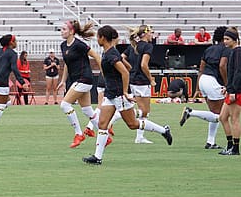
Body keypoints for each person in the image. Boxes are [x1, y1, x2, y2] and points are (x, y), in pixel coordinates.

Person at [82, 26, 173, 165]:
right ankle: (97, 157)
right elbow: (129, 68)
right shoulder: (110, 52)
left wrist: (124, 92)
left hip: (118, 94)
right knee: (102, 124)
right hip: (111, 93)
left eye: (98, 37)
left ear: (103, 38)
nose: (97, 39)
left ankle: (163, 130)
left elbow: (125, 72)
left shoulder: (111, 54)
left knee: (132, 124)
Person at [58, 20, 106, 148]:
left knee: (64, 104)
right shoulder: (63, 45)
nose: (61, 31)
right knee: (87, 110)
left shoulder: (79, 45)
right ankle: (105, 137)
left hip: (84, 78)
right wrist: (63, 81)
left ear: (72, 31)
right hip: (77, 80)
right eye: (61, 29)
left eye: (64, 29)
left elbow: (96, 56)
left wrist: (105, 73)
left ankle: (79, 134)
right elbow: (67, 64)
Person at [180, 26, 229, 149]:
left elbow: (201, 69)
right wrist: (227, 84)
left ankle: (210, 142)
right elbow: (222, 66)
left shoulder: (209, 49)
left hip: (204, 80)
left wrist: (197, 88)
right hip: (214, 81)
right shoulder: (225, 49)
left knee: (215, 113)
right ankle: (191, 112)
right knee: (220, 115)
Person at [126, 24, 156, 144]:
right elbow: (144, 65)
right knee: (144, 111)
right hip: (142, 81)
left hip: (133, 79)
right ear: (145, 34)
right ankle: (119, 115)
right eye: (151, 32)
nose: (152, 35)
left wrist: (129, 68)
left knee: (143, 111)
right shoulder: (148, 46)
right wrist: (151, 79)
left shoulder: (135, 45)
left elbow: (123, 57)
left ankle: (140, 137)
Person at [217, 28, 241, 155]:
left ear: (234, 39)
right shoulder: (233, 51)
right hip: (232, 89)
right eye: (224, 39)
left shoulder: (237, 52)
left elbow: (238, 72)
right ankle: (231, 145)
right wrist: (227, 87)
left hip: (236, 91)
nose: (225, 41)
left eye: (228, 39)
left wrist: (233, 90)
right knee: (223, 117)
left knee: (234, 119)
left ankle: (236, 148)